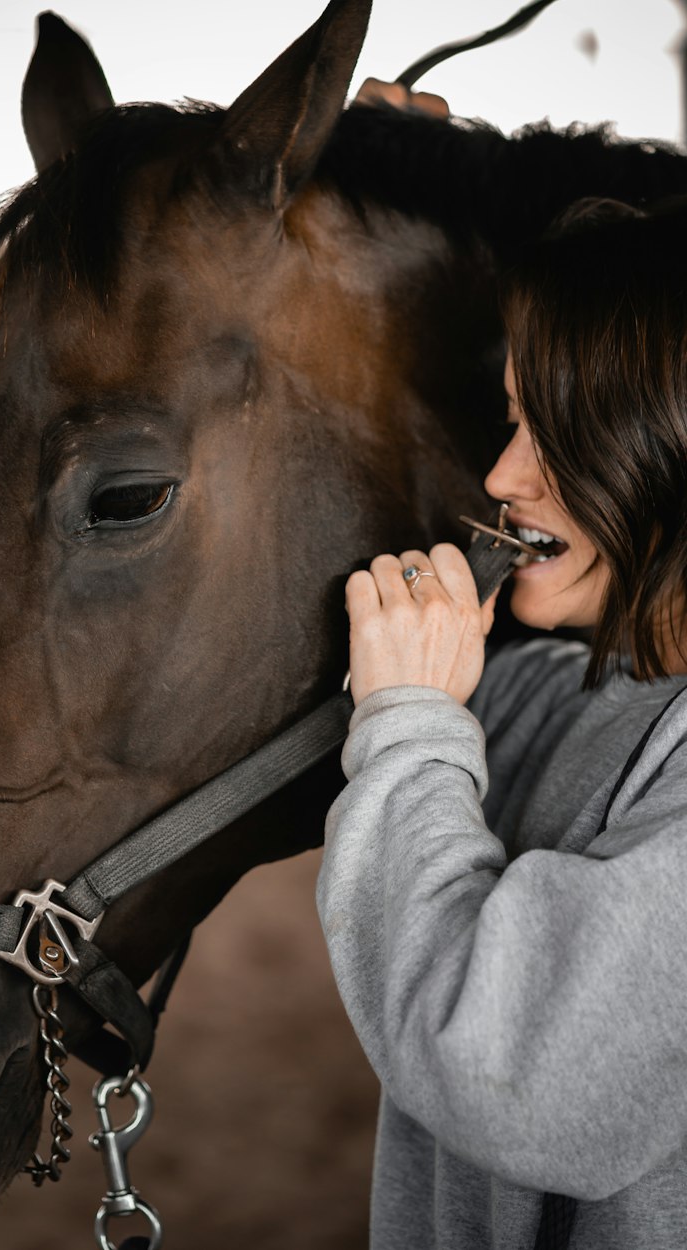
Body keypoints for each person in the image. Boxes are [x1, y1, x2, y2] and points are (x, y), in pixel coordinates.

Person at [316, 172, 687, 1246]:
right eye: (512, 420)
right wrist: (375, 170)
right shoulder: (568, 690)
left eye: (550, 430)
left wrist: (409, 725)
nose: (499, 474)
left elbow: (511, 1070)